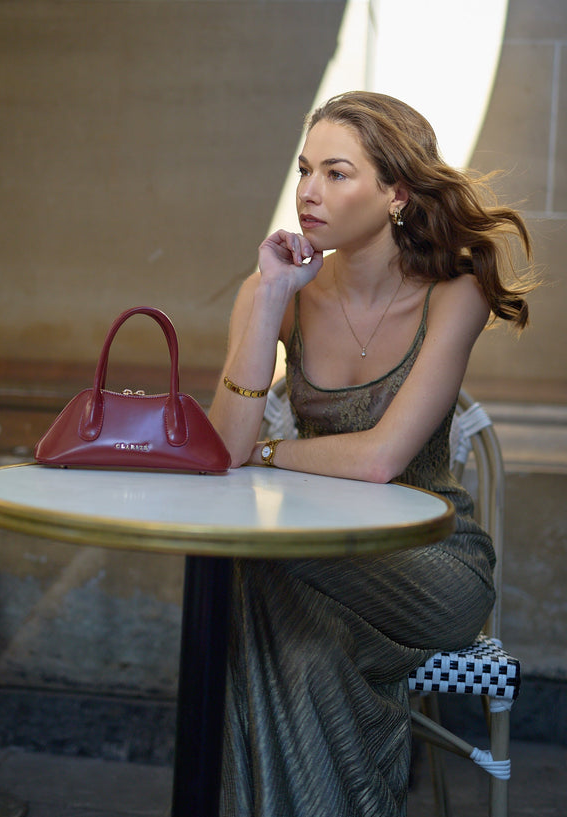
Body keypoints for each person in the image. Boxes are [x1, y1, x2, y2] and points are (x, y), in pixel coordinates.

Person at [208, 91, 533, 817]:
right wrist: (266, 305)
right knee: (300, 653)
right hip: (312, 556)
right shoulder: (278, 294)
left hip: (428, 558)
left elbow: (381, 459)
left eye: (337, 173)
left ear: (396, 193)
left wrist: (267, 453)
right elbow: (225, 449)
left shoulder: (456, 291)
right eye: (303, 170)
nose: (309, 193)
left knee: (253, 570)